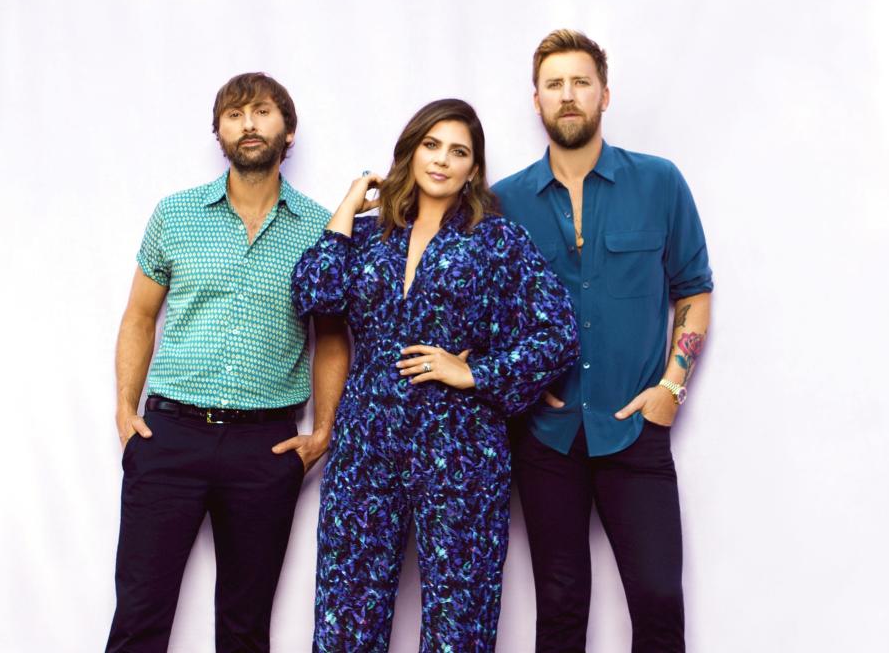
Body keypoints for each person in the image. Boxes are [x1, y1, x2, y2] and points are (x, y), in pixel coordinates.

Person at [291, 98, 580, 652]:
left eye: (459, 151)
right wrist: (349, 206)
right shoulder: (372, 236)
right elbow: (314, 293)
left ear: (474, 168)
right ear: (411, 151)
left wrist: (475, 373)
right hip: (365, 446)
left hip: (461, 448)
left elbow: (558, 332)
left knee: (459, 623)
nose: (442, 160)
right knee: (344, 616)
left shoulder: (497, 241)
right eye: (431, 145)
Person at [106, 72, 350, 653]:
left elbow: (333, 337)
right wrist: (123, 408)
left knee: (245, 627)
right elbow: (140, 316)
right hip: (168, 435)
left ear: (287, 132)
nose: (249, 124)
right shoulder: (176, 215)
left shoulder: (321, 228)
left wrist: (324, 430)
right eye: (235, 114)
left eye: (263, 112)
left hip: (264, 448)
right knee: (140, 614)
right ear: (218, 131)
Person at [493, 30, 713, 652]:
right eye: (554, 85)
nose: (568, 96)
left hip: (634, 427)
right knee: (560, 609)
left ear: (605, 95)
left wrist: (672, 386)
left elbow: (693, 291)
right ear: (535, 101)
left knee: (659, 600)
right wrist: (520, 390)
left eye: (581, 82)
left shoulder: (659, 182)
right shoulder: (503, 202)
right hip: (545, 437)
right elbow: (484, 316)